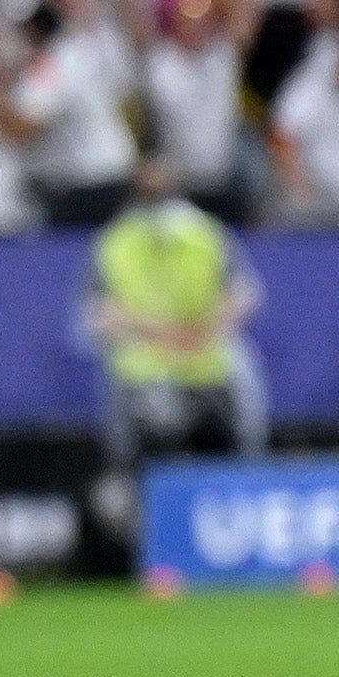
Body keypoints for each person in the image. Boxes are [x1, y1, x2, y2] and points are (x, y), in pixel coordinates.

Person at [84, 157, 267, 474]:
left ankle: (246, 477)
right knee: (119, 386)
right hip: (144, 364)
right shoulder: (115, 241)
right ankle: (125, 482)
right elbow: (98, 313)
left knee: (243, 370)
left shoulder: (206, 235)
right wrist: (159, 334)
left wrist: (203, 331)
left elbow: (244, 295)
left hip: (207, 359)